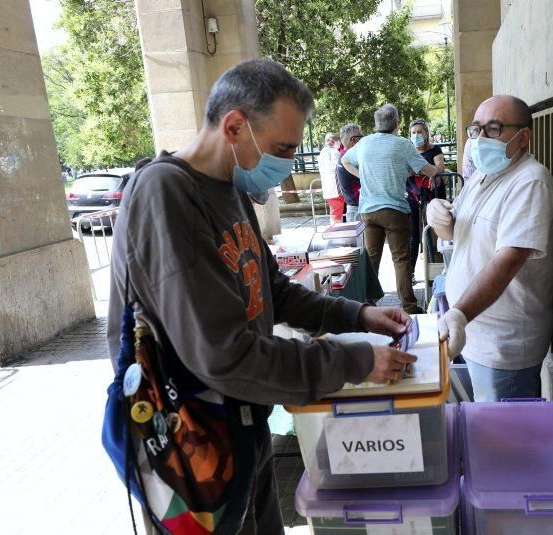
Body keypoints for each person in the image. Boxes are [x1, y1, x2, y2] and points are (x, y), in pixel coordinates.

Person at [107, 60, 417, 534]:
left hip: (245, 430)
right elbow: (225, 355)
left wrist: (361, 314)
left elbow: (274, 293)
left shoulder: (229, 190)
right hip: (194, 447)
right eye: (282, 149)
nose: (288, 163)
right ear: (234, 126)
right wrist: (353, 361)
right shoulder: (166, 194)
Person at [428, 95, 553, 402]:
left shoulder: (530, 182)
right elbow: (455, 230)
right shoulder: (482, 178)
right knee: (485, 431)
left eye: (494, 129)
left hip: (504, 345)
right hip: (473, 333)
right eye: (476, 130)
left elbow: (509, 260)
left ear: (523, 136)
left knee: (508, 441)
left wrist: (459, 314)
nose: (481, 138)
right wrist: (437, 216)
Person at [341, 103, 439, 314]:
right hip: (395, 211)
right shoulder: (402, 144)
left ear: (376, 123)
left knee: (371, 259)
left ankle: (367, 305)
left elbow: (345, 160)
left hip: (369, 211)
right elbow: (427, 170)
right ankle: (410, 307)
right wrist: (438, 170)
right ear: (396, 123)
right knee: (401, 259)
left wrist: (363, 176)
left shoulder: (364, 143)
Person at [407, 119, 446, 274]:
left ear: (426, 133)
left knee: (434, 232)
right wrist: (429, 171)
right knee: (414, 235)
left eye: (419, 132)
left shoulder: (434, 150)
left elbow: (440, 168)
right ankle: (410, 272)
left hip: (433, 196)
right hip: (413, 196)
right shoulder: (408, 151)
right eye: (413, 132)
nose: (417, 135)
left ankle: (435, 271)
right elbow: (407, 171)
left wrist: (433, 173)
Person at [336, 123, 363, 222]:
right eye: (360, 137)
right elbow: (367, 178)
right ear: (352, 140)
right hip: (357, 210)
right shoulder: (349, 159)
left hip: (355, 208)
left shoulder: (343, 155)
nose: (362, 140)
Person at [319, 132, 344, 224]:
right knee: (336, 212)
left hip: (328, 188)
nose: (331, 141)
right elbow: (339, 167)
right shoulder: (334, 152)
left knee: (335, 211)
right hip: (335, 189)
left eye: (332, 139)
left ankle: (336, 231)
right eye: (329, 140)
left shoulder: (322, 152)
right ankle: (336, 232)